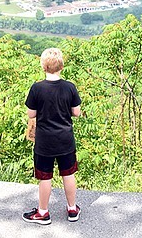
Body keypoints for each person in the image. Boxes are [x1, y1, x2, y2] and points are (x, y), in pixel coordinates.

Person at [22, 48, 82, 225]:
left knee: (45, 177)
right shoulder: (69, 87)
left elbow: (31, 114)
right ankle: (72, 209)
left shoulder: (37, 88)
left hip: (44, 142)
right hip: (65, 140)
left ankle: (43, 212)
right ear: (62, 66)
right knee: (68, 174)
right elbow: (76, 112)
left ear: (43, 67)